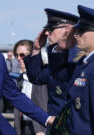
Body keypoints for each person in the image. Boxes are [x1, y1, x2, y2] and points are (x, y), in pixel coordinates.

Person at [47, 5, 94, 135]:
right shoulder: (85, 64)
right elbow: (59, 78)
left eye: (82, 30)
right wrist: (61, 47)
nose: (76, 35)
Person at [24, 8, 79, 116]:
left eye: (51, 29)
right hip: (56, 123)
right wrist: (36, 49)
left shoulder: (79, 56)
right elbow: (36, 77)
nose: (47, 33)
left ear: (67, 29)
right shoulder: (55, 54)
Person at [13, 40, 48, 135]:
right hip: (24, 127)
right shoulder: (20, 79)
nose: (19, 59)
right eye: (16, 55)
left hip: (41, 129)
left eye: (22, 55)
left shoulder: (44, 77)